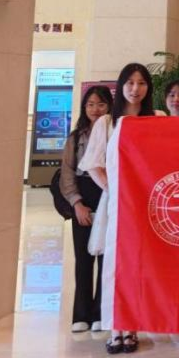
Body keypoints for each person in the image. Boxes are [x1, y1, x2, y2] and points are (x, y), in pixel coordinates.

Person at [78, 63, 156, 355]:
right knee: (114, 265)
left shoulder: (158, 119)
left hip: (147, 205)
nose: (135, 89)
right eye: (130, 82)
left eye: (142, 83)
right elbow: (93, 164)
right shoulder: (107, 123)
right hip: (117, 204)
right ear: (121, 86)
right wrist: (116, 189)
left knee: (140, 265)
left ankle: (132, 327)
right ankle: (115, 328)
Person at [60, 84, 112, 333]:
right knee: (83, 258)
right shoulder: (75, 137)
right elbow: (67, 173)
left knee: (105, 257)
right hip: (83, 195)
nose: (95, 109)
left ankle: (100, 312)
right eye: (90, 104)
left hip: (107, 193)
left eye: (101, 104)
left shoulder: (114, 131)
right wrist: (77, 203)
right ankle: (80, 314)